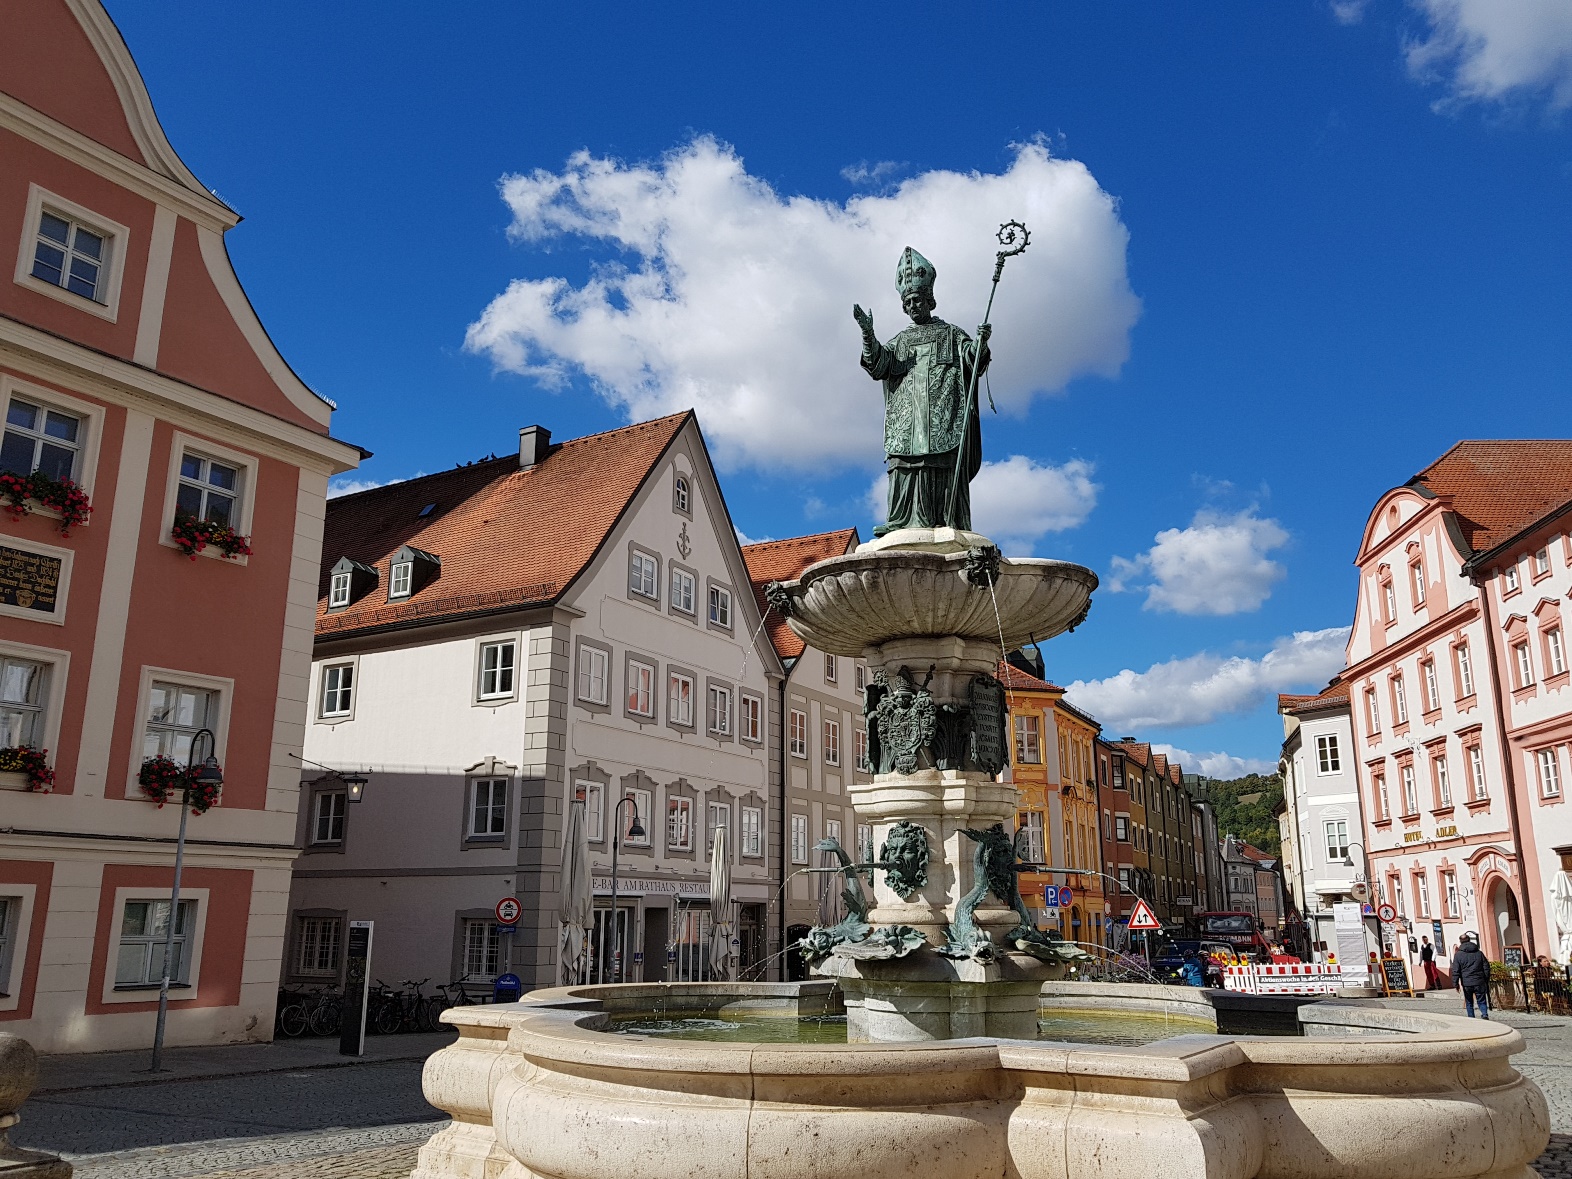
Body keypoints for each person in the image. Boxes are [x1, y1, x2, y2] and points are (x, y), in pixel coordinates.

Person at [854, 247, 991, 536]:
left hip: (942, 417)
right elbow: (879, 364)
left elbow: (972, 359)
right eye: (908, 302)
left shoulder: (952, 334)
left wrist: (979, 345)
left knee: (942, 462)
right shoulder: (901, 340)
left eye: (918, 300)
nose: (914, 305)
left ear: (929, 300)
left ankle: (947, 518)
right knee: (903, 463)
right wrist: (868, 334)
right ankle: (901, 520)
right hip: (907, 421)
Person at [1453, 933, 1491, 1019]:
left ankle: (1471, 1018)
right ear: (1469, 940)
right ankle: (1484, 1014)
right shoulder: (1479, 953)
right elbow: (1486, 966)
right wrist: (1486, 978)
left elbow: (1456, 970)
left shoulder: (1458, 955)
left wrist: (1455, 983)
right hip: (1479, 980)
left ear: (1460, 942)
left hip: (1467, 982)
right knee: (1481, 999)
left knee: (1469, 1001)